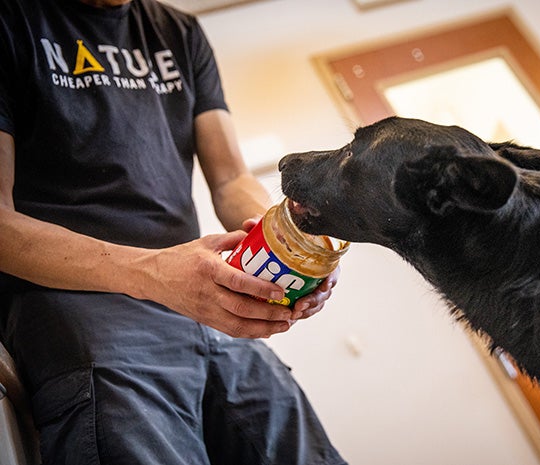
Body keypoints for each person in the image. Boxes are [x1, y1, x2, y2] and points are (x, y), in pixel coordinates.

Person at [0, 0, 346, 464]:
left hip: (194, 297)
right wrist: (151, 272)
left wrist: (286, 238)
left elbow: (229, 179)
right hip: (80, 303)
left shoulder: (179, 32)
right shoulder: (11, 20)